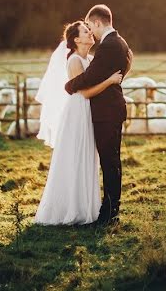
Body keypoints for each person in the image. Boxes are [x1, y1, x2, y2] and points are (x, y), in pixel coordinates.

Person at [34, 20, 123, 225]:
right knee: (75, 157)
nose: (90, 33)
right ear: (76, 39)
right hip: (77, 113)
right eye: (85, 31)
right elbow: (85, 93)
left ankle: (86, 209)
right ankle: (69, 209)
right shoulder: (74, 61)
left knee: (87, 157)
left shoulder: (90, 59)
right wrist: (109, 81)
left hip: (88, 113)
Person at [65, 4, 132, 226]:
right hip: (110, 110)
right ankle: (110, 209)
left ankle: (109, 212)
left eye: (90, 27)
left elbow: (90, 76)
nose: (90, 32)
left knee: (109, 162)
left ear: (97, 23)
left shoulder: (108, 45)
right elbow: (127, 64)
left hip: (107, 112)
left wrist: (69, 85)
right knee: (111, 161)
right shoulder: (120, 43)